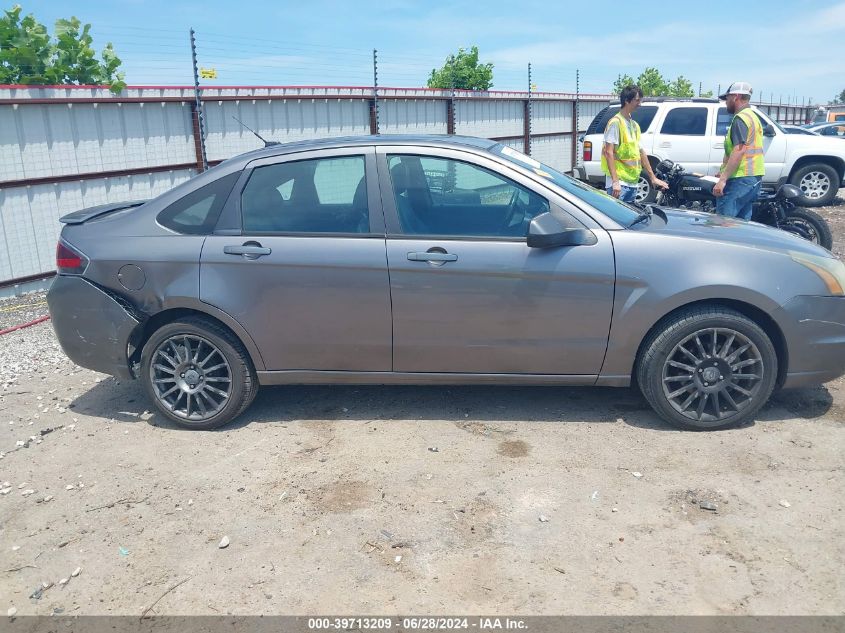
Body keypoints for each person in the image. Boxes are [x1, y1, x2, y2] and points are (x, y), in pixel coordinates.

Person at [601, 84, 667, 202]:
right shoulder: (616, 123)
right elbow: (608, 152)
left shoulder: (634, 125)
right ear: (627, 101)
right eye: (637, 100)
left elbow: (641, 152)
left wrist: (652, 177)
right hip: (619, 184)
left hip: (632, 183)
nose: (639, 104)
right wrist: (615, 182)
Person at [713, 81, 765, 220]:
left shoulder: (740, 119)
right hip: (753, 178)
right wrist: (724, 171)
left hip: (740, 179)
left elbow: (739, 150)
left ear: (736, 97)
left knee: (724, 223)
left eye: (727, 98)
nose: (726, 102)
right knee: (741, 224)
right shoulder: (753, 117)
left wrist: (723, 180)